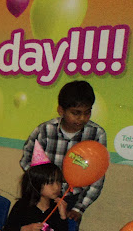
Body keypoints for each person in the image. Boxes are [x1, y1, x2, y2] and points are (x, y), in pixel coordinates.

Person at [20, 81, 106, 222]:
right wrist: (46, 183)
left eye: (87, 112)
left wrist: (79, 208)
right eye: (76, 113)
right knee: (30, 229)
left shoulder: (97, 134)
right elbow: (27, 161)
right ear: (61, 111)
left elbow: (97, 175)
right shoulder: (45, 130)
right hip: (40, 196)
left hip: (72, 199)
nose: (82, 118)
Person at [3, 159, 69, 231]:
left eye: (59, 181)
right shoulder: (22, 206)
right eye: (51, 183)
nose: (57, 187)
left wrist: (63, 216)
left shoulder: (56, 208)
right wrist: (24, 229)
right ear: (36, 184)